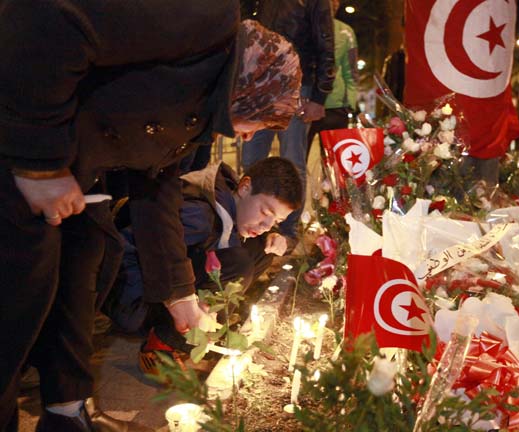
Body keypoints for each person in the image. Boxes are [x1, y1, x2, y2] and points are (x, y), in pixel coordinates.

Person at [0, 5, 301, 430]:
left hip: (77, 168)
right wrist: (40, 165)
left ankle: (65, 410)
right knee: (17, 300)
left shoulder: (201, 102)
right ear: (249, 87)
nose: (248, 136)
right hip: (20, 134)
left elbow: (157, 185)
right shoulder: (202, 21)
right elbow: (47, 21)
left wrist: (180, 296)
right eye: (257, 121)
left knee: (84, 263)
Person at [102, 157, 302, 363]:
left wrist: (279, 237)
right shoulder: (199, 216)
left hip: (162, 291)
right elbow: (133, 247)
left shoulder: (231, 201)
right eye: (265, 212)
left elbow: (260, 231)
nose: (267, 225)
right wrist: (140, 310)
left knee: (262, 249)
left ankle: (209, 327)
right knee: (238, 263)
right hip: (131, 298)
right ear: (244, 187)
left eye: (277, 221)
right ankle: (167, 343)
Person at [241, 0, 335, 248]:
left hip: (297, 83)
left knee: (293, 160)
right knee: (251, 159)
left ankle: (287, 233)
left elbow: (326, 44)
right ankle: (251, 225)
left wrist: (318, 95)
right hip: (259, 83)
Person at [307, 0, 359, 162]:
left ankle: (332, 187)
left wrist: (350, 102)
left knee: (333, 160)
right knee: (299, 156)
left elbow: (351, 70)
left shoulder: (346, 32)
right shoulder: (305, 27)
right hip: (307, 103)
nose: (332, 5)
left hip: (336, 107)